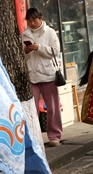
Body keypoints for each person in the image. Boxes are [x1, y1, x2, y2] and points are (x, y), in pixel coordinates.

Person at [22, 8, 63, 147]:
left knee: (52, 107)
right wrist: (27, 51)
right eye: (30, 20)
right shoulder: (25, 34)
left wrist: (39, 47)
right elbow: (22, 56)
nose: (32, 23)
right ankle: (34, 137)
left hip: (48, 75)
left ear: (41, 18)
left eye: (35, 19)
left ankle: (55, 135)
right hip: (32, 75)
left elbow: (55, 51)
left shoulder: (50, 32)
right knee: (31, 109)